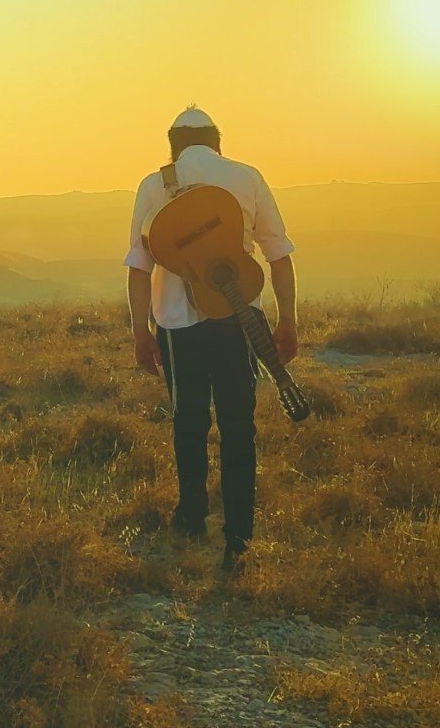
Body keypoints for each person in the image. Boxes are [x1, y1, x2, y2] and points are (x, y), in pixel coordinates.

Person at [123, 105, 298, 577]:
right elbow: (278, 255)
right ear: (218, 142)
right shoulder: (245, 177)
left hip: (177, 325)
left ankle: (191, 521)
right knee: (240, 426)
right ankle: (239, 539)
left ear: (172, 147)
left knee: (189, 423)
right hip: (242, 316)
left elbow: (139, 268)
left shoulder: (154, 185)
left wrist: (140, 332)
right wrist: (288, 321)